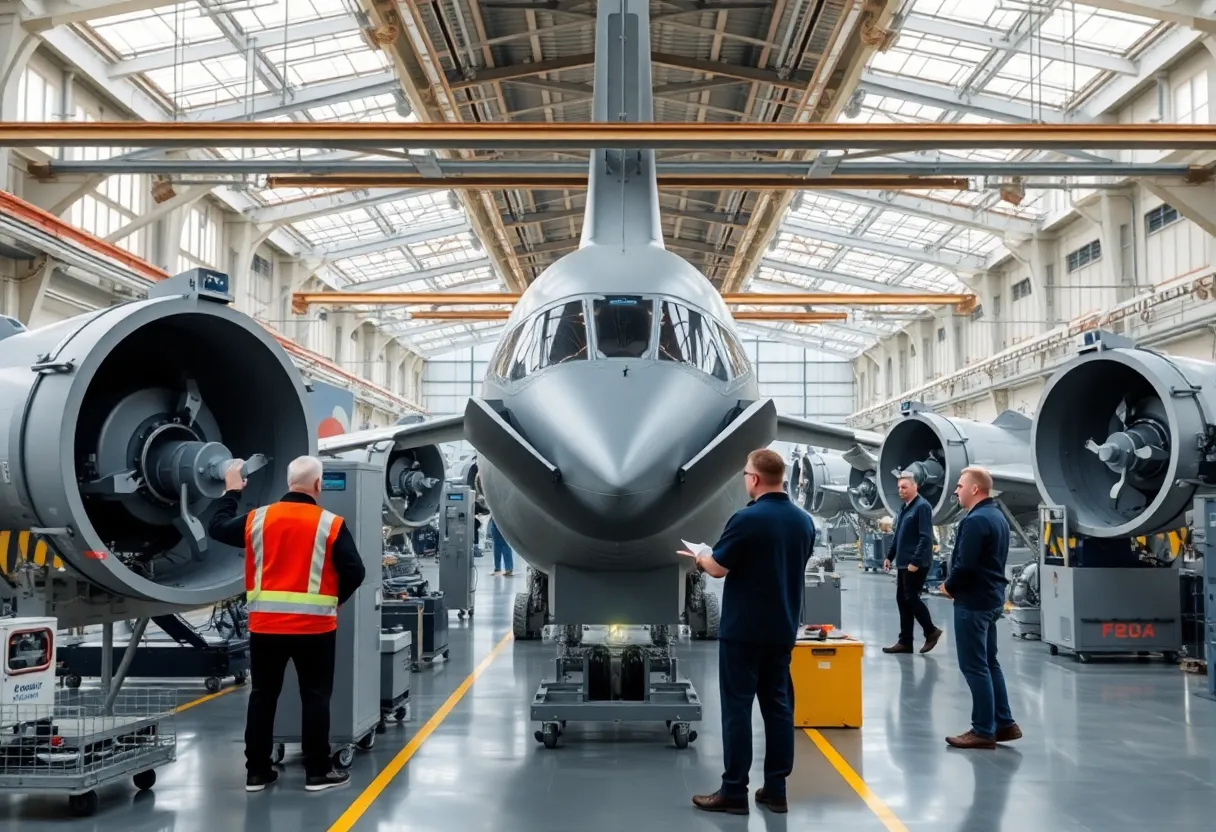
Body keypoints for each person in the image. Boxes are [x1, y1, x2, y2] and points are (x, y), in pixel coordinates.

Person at [207, 455, 366, 793]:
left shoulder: (259, 520)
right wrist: (334, 600)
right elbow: (356, 571)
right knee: (315, 696)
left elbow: (217, 527)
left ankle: (257, 772)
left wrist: (232, 491)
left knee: (263, 696)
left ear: (288, 483)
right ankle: (318, 771)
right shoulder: (330, 524)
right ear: (318, 486)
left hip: (265, 628)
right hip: (315, 630)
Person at [683, 449, 815, 815]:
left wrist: (700, 557)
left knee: (737, 709)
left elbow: (719, 568)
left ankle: (734, 791)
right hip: (782, 629)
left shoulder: (746, 519)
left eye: (745, 474)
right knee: (778, 708)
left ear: (754, 479)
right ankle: (776, 789)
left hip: (743, 632)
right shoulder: (804, 522)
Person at [941, 466, 1021, 749]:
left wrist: (949, 586)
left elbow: (966, 564)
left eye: (960, 486)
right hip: (991, 599)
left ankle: (983, 730)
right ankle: (1005, 723)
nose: (956, 490)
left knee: (974, 666)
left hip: (973, 602)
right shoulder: (997, 516)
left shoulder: (975, 521)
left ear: (975, 489)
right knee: (990, 663)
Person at [882, 473, 943, 654]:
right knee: (902, 599)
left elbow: (926, 538)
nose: (901, 490)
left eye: (904, 487)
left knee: (911, 598)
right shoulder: (904, 509)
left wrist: (915, 561)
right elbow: (898, 536)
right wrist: (889, 556)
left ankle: (931, 631)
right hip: (903, 563)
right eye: (899, 487)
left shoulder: (922, 507)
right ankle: (905, 641)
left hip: (915, 564)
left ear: (915, 487)